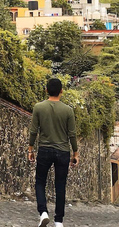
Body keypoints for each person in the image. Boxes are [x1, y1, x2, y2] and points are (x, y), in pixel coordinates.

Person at [28, 78, 79, 227]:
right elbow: (72, 134)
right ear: (61, 91)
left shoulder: (38, 107)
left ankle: (43, 212)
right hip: (62, 152)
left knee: (40, 181)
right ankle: (58, 221)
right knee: (60, 185)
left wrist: (30, 149)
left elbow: (33, 131)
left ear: (46, 91)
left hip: (44, 150)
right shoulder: (68, 110)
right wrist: (75, 153)